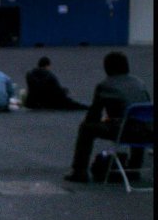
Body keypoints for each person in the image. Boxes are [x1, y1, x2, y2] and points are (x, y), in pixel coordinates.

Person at [64, 51, 152, 183]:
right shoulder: (139, 83)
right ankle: (135, 168)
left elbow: (93, 115)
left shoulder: (105, 85)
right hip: (147, 132)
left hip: (124, 131)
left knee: (86, 128)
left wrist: (105, 121)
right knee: (137, 122)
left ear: (107, 68)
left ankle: (79, 171)